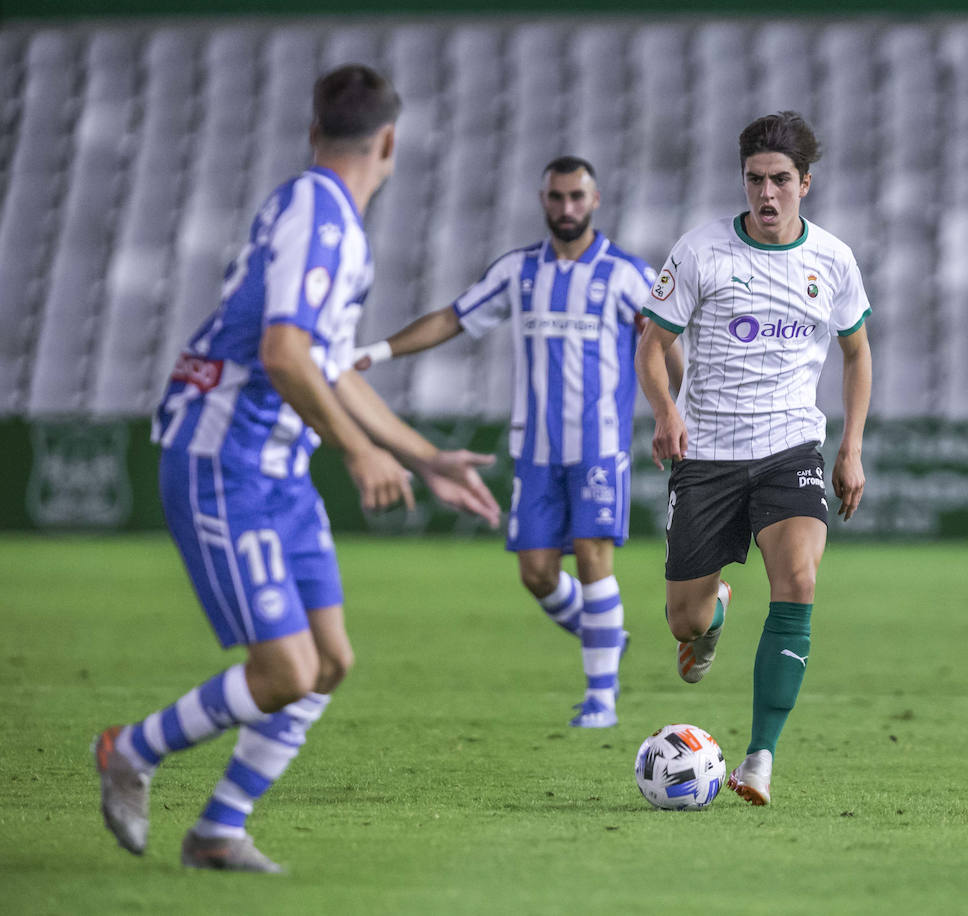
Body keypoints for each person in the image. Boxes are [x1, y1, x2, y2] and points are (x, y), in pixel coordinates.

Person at [92, 64, 501, 873]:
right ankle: (127, 750)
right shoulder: (325, 221)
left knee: (330, 662)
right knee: (286, 671)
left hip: (275, 469)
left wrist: (424, 457)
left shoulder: (315, 208)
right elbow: (284, 356)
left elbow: (329, 364)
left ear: (316, 133)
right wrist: (358, 450)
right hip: (226, 459)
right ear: (389, 141)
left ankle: (218, 831)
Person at [353, 156, 677, 729]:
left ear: (595, 200)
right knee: (536, 573)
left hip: (598, 444)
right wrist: (377, 352)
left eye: (577, 196)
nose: (567, 208)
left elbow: (667, 341)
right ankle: (606, 635)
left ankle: (601, 698)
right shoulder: (518, 272)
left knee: (594, 557)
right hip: (536, 448)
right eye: (556, 197)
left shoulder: (627, 274)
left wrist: (675, 408)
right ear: (543, 199)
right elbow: (453, 317)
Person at [635, 111, 872, 806]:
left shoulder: (831, 260)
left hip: (790, 447)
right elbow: (652, 346)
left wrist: (851, 446)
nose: (766, 194)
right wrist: (666, 412)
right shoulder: (702, 252)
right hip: (706, 452)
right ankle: (712, 616)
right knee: (684, 619)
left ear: (806, 183)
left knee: (799, 579)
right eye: (754, 180)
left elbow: (858, 355)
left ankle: (759, 757)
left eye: (779, 181)